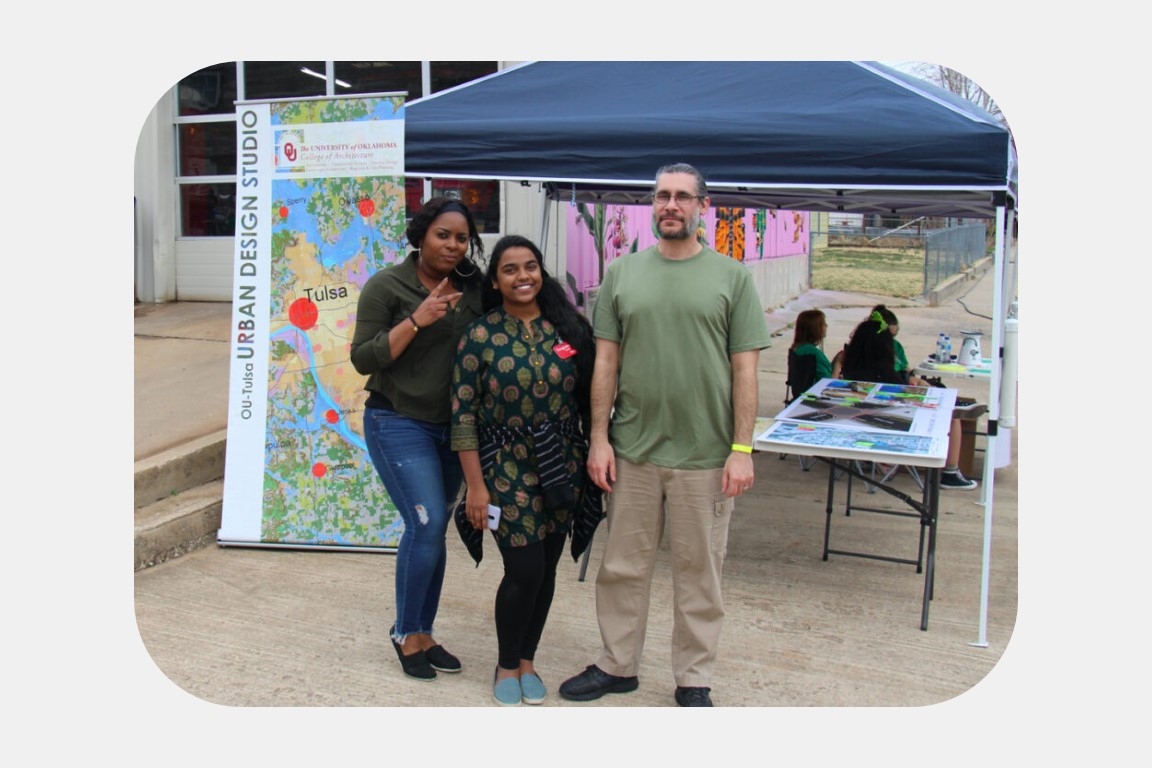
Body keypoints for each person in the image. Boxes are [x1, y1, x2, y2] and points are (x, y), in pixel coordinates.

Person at [558, 163, 772, 707]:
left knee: (700, 574)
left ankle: (693, 677)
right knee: (621, 567)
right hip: (632, 452)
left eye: (681, 196)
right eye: (661, 196)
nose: (670, 205)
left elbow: (746, 371)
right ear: (652, 206)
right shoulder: (622, 275)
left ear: (703, 206)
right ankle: (617, 664)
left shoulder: (732, 278)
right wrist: (600, 438)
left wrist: (742, 449)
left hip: (706, 456)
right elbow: (605, 361)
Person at [450, 234, 597, 706]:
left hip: (561, 465)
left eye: (530, 266)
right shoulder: (480, 335)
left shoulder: (568, 331)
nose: (522, 276)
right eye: (510, 269)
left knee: (548, 568)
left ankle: (528, 660)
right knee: (524, 569)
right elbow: (463, 416)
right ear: (496, 280)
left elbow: (590, 396)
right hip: (503, 465)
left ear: (541, 271)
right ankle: (506, 662)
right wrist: (475, 486)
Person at [350, 196, 487, 681]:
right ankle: (405, 632)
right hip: (397, 420)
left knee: (437, 527)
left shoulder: (475, 287)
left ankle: (424, 633)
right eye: (442, 235)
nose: (453, 245)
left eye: (461, 237)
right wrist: (417, 319)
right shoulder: (387, 286)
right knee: (424, 523)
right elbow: (363, 359)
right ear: (421, 235)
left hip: (453, 427)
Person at [839, 314, 978, 490]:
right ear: (885, 346)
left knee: (934, 392)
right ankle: (951, 472)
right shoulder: (884, 372)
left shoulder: (850, 367)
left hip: (859, 422)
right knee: (950, 413)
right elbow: (903, 396)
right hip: (897, 423)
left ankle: (952, 403)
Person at [788, 309, 833, 397]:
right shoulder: (813, 353)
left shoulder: (797, 348)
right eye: (823, 323)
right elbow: (827, 384)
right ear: (815, 328)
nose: (826, 326)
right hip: (816, 397)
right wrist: (838, 365)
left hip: (800, 396)